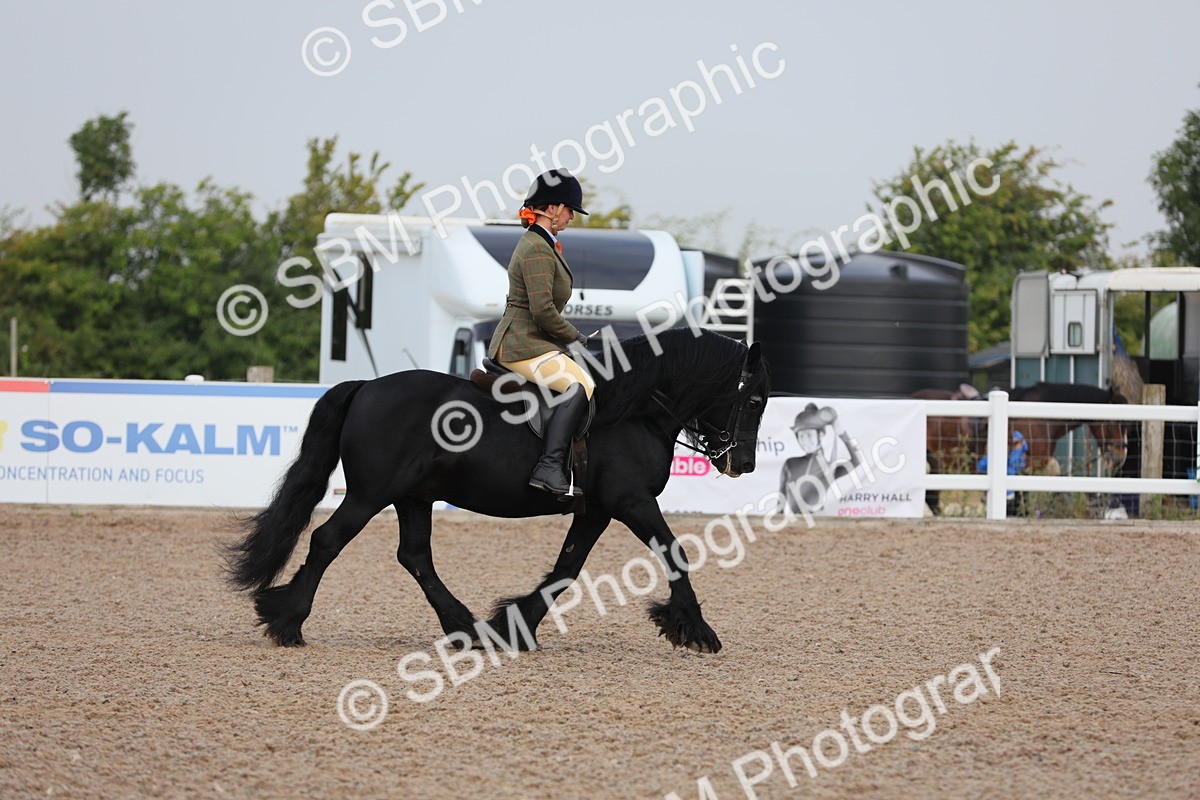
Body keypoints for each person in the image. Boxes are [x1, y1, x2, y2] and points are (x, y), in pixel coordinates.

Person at [487, 169, 596, 496]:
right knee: (579, 386)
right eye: (569, 210)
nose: (571, 218)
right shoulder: (536, 247)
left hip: (535, 340)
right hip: (520, 342)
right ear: (551, 208)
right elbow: (543, 311)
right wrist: (576, 338)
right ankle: (549, 467)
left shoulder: (543, 244)